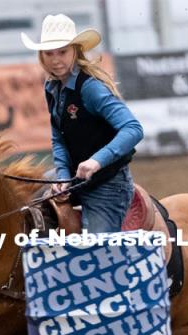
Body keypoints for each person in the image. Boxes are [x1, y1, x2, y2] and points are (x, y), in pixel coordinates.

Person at [21, 14, 144, 233]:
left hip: (107, 185)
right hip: (76, 179)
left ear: (75, 52)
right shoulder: (52, 87)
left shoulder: (90, 88)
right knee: (22, 204)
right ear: (41, 55)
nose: (55, 59)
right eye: (49, 53)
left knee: (96, 251)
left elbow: (133, 129)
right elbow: (58, 136)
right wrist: (61, 174)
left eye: (62, 52)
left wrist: (96, 161)